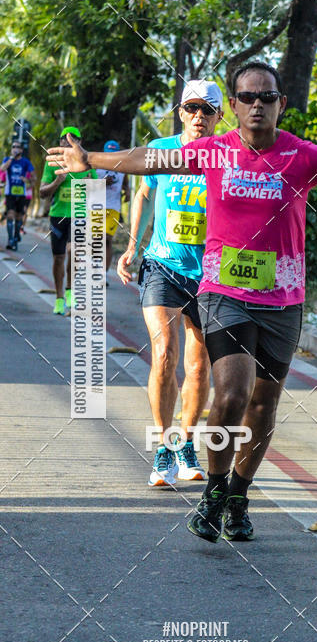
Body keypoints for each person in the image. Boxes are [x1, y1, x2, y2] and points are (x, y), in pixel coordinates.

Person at [47, 61, 317, 541]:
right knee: (232, 395)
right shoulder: (213, 152)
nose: (257, 104)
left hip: (283, 300)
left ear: (281, 104)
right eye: (248, 97)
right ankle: (215, 489)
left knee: (263, 405)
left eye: (267, 97)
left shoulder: (302, 157)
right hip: (224, 295)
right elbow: (149, 161)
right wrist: (89, 160)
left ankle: (238, 495)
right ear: (234, 107)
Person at [117, 80, 222, 486]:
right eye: (192, 108)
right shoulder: (161, 150)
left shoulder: (227, 154)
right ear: (180, 112)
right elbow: (143, 194)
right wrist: (133, 246)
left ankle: (186, 444)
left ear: (218, 116)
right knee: (165, 355)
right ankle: (164, 446)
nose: (199, 116)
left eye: (207, 110)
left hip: (211, 274)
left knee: (198, 367)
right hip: (162, 266)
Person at [40, 126, 96, 315]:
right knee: (58, 258)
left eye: (73, 138)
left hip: (79, 214)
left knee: (74, 252)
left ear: (80, 142)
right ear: (60, 142)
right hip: (58, 216)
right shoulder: (53, 163)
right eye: (64, 138)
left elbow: (96, 193)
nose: (68, 141)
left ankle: (70, 291)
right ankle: (58, 298)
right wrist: (57, 181)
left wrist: (92, 185)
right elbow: (42, 193)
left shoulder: (87, 163)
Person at [95, 140, 130, 278]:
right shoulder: (96, 168)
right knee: (97, 239)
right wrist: (102, 182)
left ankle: (103, 273)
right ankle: (95, 266)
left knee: (107, 239)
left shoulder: (123, 169)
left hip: (114, 208)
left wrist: (127, 192)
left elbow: (125, 185)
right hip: (96, 207)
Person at [1, 141, 35, 250]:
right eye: (13, 147)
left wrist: (27, 180)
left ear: (21, 150)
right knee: (10, 215)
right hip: (9, 192)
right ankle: (10, 240)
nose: (15, 148)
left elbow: (34, 178)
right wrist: (11, 158)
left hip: (21, 193)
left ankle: (16, 237)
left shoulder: (25, 162)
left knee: (19, 216)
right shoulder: (7, 159)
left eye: (18, 147)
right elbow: (2, 169)